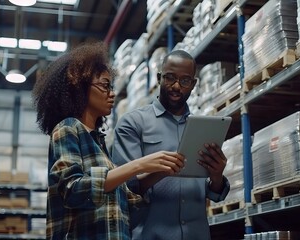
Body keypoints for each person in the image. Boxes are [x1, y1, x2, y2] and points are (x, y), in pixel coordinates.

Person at [31, 41, 185, 240]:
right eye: (104, 86)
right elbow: (73, 190)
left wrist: (160, 171)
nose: (112, 94)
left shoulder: (98, 143)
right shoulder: (67, 129)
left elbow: (126, 203)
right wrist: (138, 165)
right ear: (79, 86)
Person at [111, 49, 230, 240]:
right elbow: (123, 188)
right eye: (170, 78)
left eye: (184, 81)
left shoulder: (204, 129)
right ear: (159, 78)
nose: (176, 86)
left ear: (193, 84)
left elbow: (215, 194)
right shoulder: (133, 123)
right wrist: (162, 171)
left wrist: (217, 176)